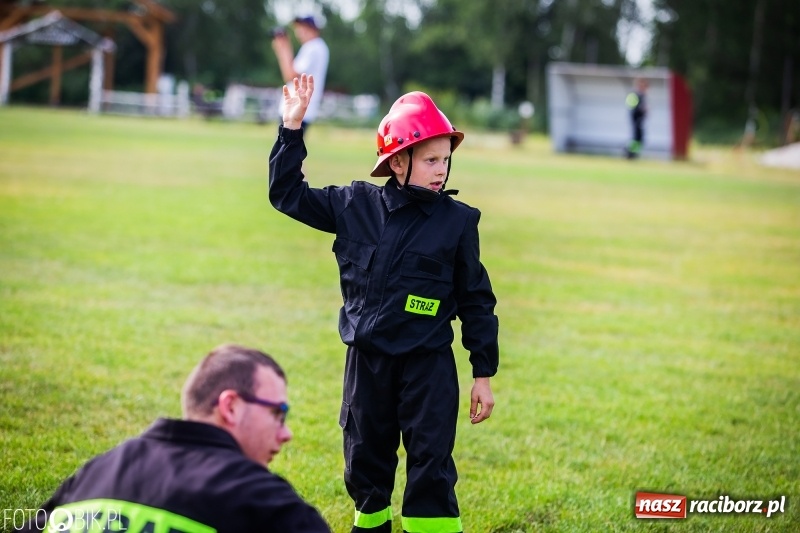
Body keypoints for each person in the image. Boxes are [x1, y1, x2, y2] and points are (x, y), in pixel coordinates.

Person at [268, 74, 499, 533]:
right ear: (398, 162)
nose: (441, 170)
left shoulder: (457, 223)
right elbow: (287, 195)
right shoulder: (354, 205)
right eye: (430, 159)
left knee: (431, 466)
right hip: (367, 366)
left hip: (427, 367)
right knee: (364, 465)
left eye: (445, 160)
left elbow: (476, 299)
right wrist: (291, 129)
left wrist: (483, 374)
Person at [21, 344, 331, 533]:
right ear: (231, 407)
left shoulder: (98, 471)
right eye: (278, 413)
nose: (286, 433)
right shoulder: (262, 499)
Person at [271, 15, 329, 129]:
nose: (298, 31)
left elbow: (290, 75)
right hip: (300, 109)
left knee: (286, 146)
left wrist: (283, 49)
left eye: (302, 27)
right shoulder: (318, 47)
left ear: (312, 28)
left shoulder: (313, 47)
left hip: (296, 110)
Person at [625, 77, 649, 159]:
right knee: (635, 138)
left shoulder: (643, 96)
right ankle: (629, 153)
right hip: (636, 120)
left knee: (640, 138)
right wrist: (641, 110)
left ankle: (634, 154)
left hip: (640, 120)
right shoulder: (635, 95)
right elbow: (632, 107)